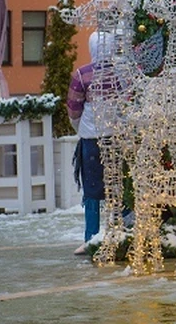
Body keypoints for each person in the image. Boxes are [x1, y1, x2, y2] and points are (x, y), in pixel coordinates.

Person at [66, 31, 112, 255]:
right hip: (117, 137)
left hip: (91, 137)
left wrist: (79, 128)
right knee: (117, 187)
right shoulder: (124, 74)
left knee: (92, 189)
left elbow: (74, 108)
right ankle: (119, 232)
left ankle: (91, 237)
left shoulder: (82, 74)